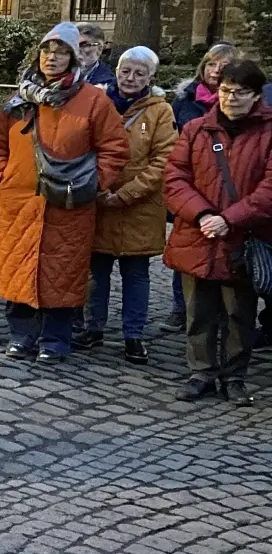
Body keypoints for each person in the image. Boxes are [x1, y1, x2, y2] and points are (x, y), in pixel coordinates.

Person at [0, 23, 128, 364]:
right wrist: (0, 176)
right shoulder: (20, 99)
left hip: (69, 203)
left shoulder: (93, 100)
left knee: (63, 272)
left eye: (61, 52)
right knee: (18, 266)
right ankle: (22, 335)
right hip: (20, 202)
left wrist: (94, 182)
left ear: (73, 58)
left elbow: (116, 148)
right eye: (47, 51)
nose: (52, 58)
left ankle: (55, 339)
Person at [165, 58, 272, 406]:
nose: (231, 99)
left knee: (240, 313)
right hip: (198, 234)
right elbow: (175, 178)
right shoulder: (197, 129)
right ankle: (202, 371)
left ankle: (235, 375)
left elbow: (269, 190)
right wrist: (203, 214)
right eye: (226, 91)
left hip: (244, 237)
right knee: (198, 311)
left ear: (257, 96)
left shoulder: (269, 133)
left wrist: (231, 219)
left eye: (241, 93)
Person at [81, 46, 177, 365]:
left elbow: (164, 160)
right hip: (98, 199)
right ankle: (93, 327)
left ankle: (133, 334)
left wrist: (125, 194)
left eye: (139, 73)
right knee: (97, 271)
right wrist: (97, 187)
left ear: (151, 77)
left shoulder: (161, 111)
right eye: (125, 71)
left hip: (140, 207)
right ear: (116, 71)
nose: (131, 78)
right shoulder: (98, 101)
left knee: (136, 274)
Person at [168, 42, 238, 327]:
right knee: (186, 248)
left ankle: (223, 314)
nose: (215, 71)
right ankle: (180, 308)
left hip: (229, 187)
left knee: (226, 252)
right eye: (211, 64)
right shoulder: (185, 101)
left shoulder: (241, 106)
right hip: (193, 186)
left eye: (223, 66)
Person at [76, 23, 115, 89]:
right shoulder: (58, 74)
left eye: (84, 45)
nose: (76, 50)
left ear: (100, 48)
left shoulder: (108, 83)